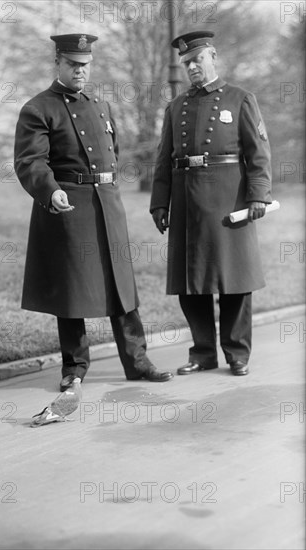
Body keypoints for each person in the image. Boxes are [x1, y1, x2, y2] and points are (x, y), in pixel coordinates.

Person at [14, 33, 173, 391]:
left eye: (85, 65)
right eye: (72, 64)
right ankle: (74, 368)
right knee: (72, 292)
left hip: (108, 203)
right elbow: (29, 162)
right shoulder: (38, 109)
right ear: (57, 63)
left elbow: (112, 152)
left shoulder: (100, 105)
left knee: (122, 288)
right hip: (69, 207)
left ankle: (138, 361)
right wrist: (50, 191)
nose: (80, 71)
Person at [150, 31, 272, 377]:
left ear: (213, 57)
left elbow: (259, 154)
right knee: (191, 284)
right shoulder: (176, 107)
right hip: (187, 203)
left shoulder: (240, 99)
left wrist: (258, 195)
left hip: (228, 201)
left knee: (235, 281)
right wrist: (160, 204)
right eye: (186, 63)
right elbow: (163, 160)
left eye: (197, 60)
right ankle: (202, 353)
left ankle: (237, 353)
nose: (192, 68)